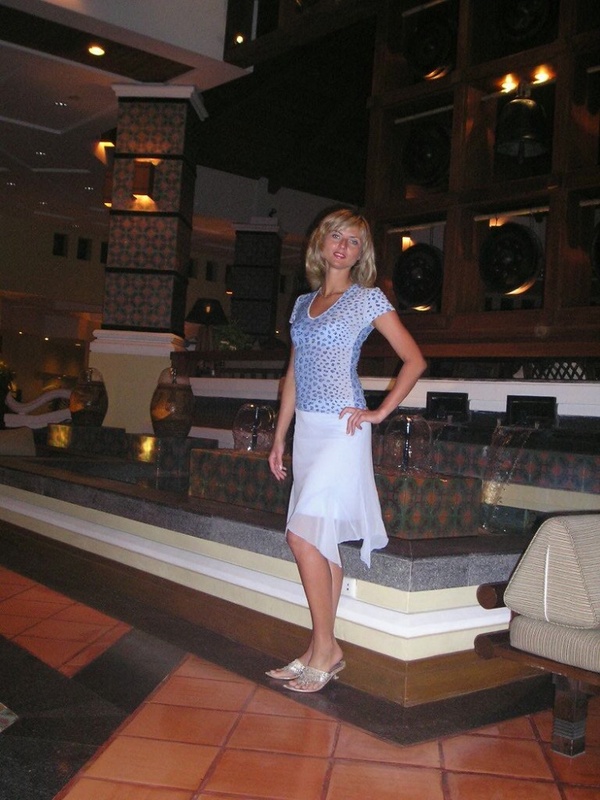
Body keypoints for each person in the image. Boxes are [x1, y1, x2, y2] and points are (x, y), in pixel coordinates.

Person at [267, 207, 427, 693]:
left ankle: (325, 648)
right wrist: (280, 436)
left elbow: (414, 360)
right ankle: (321, 650)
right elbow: (293, 373)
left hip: (342, 429)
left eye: (353, 241)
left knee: (301, 537)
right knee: (321, 538)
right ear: (321, 242)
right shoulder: (302, 304)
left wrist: (380, 412)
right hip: (308, 431)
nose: (343, 246)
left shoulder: (366, 299)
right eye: (336, 236)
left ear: (362, 253)